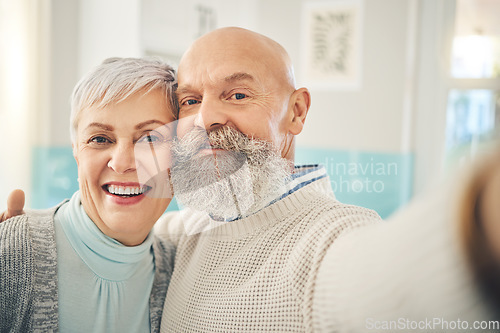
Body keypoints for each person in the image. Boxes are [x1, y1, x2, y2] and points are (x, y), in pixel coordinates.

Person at [153, 27, 381, 332]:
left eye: (237, 95)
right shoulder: (178, 235)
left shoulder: (343, 239)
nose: (204, 120)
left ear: (296, 112)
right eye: (190, 101)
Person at [0, 57, 177, 332]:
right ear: (76, 151)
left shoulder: (180, 269)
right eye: (100, 139)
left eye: (150, 139)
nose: (122, 162)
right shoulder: (12, 252)